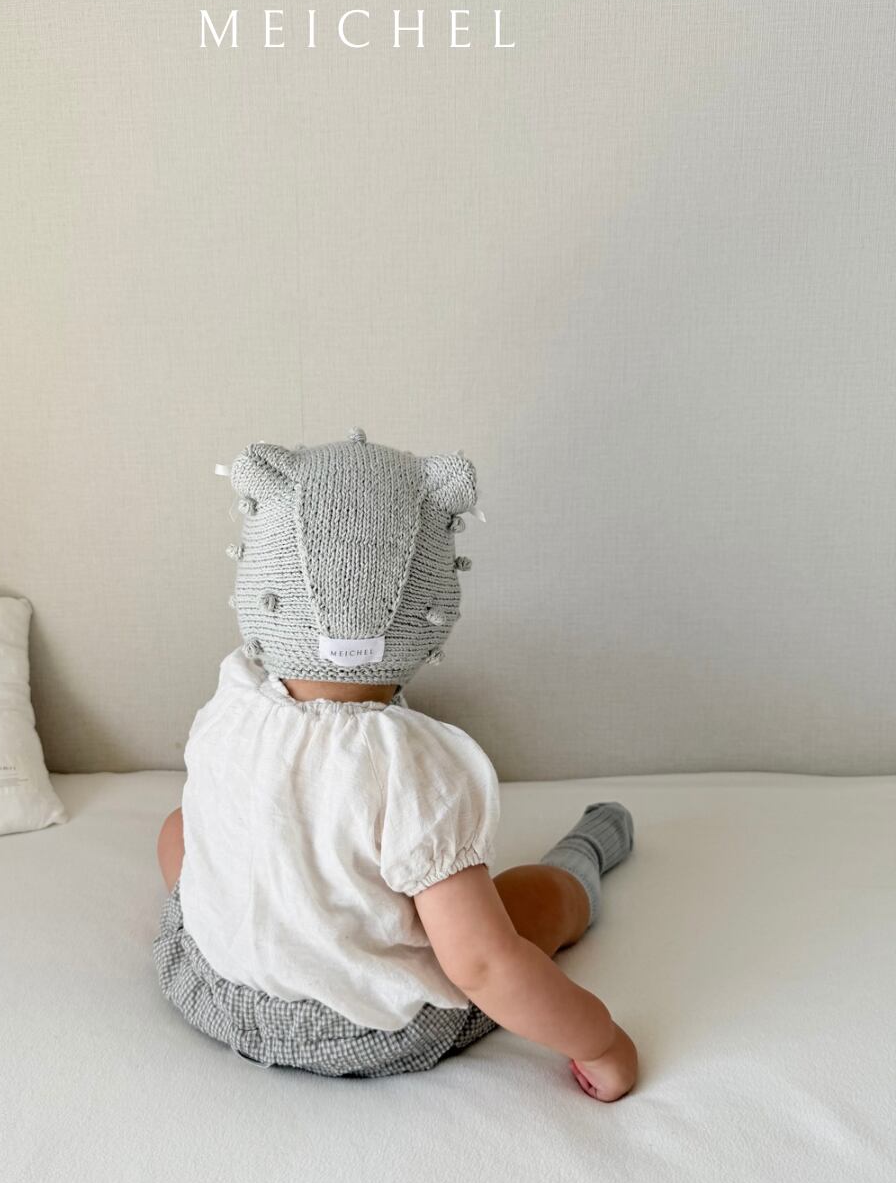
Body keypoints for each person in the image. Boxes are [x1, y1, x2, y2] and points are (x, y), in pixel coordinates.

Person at [154, 427, 638, 1099]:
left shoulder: (230, 700)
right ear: (430, 595)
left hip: (211, 984)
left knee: (181, 828)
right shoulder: (415, 767)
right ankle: (582, 858)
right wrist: (602, 1042)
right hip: (366, 1028)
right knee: (528, 905)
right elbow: (480, 966)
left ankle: (269, 930)